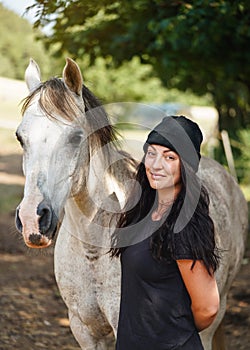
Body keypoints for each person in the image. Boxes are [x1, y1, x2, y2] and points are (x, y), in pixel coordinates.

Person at [111, 115, 220, 350]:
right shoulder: (142, 213)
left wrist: (173, 333)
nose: (155, 165)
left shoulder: (185, 224)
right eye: (152, 153)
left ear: (187, 166)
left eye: (169, 157)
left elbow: (208, 308)